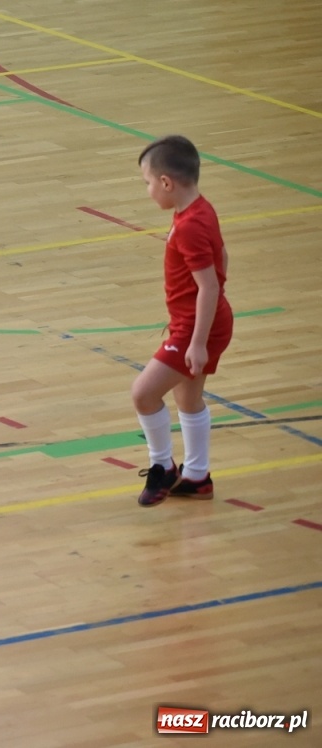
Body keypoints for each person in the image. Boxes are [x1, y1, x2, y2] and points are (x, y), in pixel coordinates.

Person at [132, 136, 231, 507]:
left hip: (196, 327)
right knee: (187, 397)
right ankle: (197, 475)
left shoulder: (188, 225)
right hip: (200, 321)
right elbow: (222, 255)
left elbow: (207, 286)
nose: (148, 191)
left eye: (147, 183)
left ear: (166, 183)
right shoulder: (201, 210)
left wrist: (197, 340)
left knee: (143, 393)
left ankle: (163, 466)